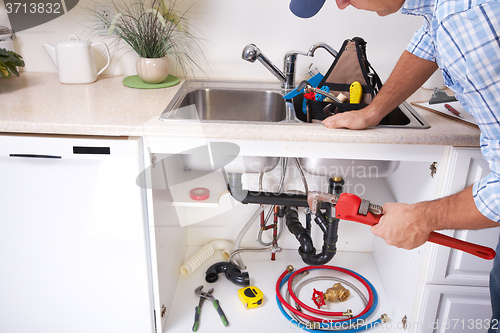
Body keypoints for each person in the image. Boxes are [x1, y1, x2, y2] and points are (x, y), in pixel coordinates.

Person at [289, 0, 500, 330]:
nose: (343, 5)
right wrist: (372, 112)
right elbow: (426, 46)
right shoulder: (444, 10)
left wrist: (422, 217)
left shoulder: (469, 20)